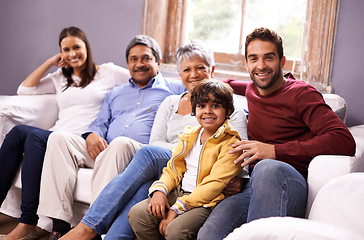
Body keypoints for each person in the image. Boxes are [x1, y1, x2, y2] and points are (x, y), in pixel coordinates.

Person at [60, 40, 248, 239]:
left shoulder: (228, 105)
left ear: (212, 69)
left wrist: (192, 152)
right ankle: (95, 231)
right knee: (146, 177)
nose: (193, 74)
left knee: (146, 161)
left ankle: (88, 228)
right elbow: (155, 142)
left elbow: (238, 149)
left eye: (200, 68)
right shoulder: (170, 102)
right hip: (171, 165)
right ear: (180, 74)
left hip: (196, 168)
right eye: (187, 69)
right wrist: (186, 151)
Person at [197, 27, 356, 240]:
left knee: (267, 167)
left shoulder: (301, 94)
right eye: (254, 59)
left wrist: (274, 151)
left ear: (282, 62)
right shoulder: (253, 89)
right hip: (252, 185)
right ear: (246, 63)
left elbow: (343, 140)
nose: (260, 66)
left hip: (290, 183)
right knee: (209, 235)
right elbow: (228, 85)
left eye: (268, 58)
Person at [36, 35, 186, 239]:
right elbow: (100, 122)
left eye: (146, 58)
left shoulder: (175, 89)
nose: (139, 64)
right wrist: (91, 135)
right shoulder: (116, 92)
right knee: (59, 139)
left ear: (158, 62)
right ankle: (59, 224)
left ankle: (93, 227)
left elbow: (203, 88)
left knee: (120, 144)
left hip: (139, 154)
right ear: (127, 63)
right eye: (133, 59)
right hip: (107, 149)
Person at [0, 26, 130, 240]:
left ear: (86, 47)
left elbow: (140, 78)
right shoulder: (60, 77)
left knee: (33, 137)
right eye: (65, 50)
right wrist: (51, 62)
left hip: (79, 141)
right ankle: (25, 221)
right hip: (55, 136)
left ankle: (27, 222)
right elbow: (24, 90)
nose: (72, 54)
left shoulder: (108, 72)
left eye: (76, 47)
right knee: (17, 133)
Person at [128, 79, 244, 240]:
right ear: (194, 109)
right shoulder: (189, 136)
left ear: (228, 111)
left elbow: (213, 185)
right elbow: (173, 169)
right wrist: (160, 191)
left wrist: (176, 209)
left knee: (176, 231)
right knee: (137, 214)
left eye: (215, 106)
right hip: (179, 192)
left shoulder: (232, 144)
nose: (207, 111)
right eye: (201, 106)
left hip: (206, 202)